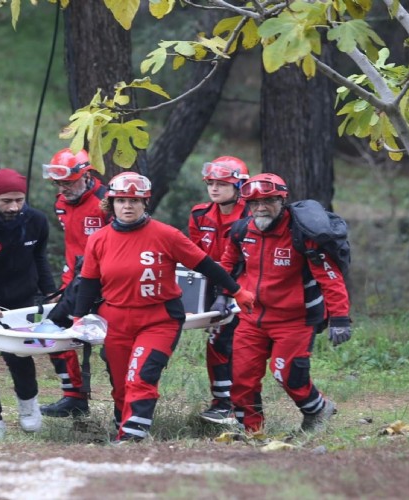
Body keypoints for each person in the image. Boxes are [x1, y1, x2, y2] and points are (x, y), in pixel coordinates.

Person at [71, 172, 255, 443]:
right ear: (111, 203)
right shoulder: (98, 239)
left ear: (146, 203)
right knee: (121, 383)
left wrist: (237, 291)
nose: (128, 206)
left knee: (141, 375)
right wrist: (78, 318)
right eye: (121, 200)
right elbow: (88, 283)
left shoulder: (166, 235)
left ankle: (132, 436)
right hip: (116, 319)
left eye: (135, 200)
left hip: (159, 319)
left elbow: (205, 265)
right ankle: (123, 423)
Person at [219, 173, 352, 433]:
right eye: (254, 202)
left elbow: (330, 277)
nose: (260, 208)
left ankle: (318, 410)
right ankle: (250, 432)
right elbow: (227, 265)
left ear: (282, 199)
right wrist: (221, 294)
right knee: (240, 377)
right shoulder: (241, 231)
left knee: (288, 374)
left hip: (295, 320)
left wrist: (340, 319)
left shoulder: (303, 235)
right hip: (251, 317)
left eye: (268, 201)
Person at [0, 168, 58, 442]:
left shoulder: (36, 221)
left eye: (19, 199)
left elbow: (40, 259)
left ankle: (29, 408)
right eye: (7, 201)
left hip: (21, 301)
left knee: (20, 359)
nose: (14, 206)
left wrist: (50, 292)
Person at [39, 148, 109, 418]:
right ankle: (73, 396)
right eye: (58, 183)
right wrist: (66, 285)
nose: (63, 188)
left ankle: (119, 403)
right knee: (52, 332)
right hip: (77, 282)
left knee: (111, 346)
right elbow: (73, 247)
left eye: (68, 182)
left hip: (106, 284)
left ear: (86, 175)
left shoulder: (106, 202)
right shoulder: (61, 204)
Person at [187, 156, 250, 424]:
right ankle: (223, 401)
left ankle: (234, 404)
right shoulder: (200, 214)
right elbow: (192, 254)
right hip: (212, 287)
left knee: (234, 342)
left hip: (245, 287)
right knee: (217, 341)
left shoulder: (250, 215)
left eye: (222, 184)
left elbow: (247, 259)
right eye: (211, 183)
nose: (214, 188)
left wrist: (229, 292)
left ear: (239, 186)